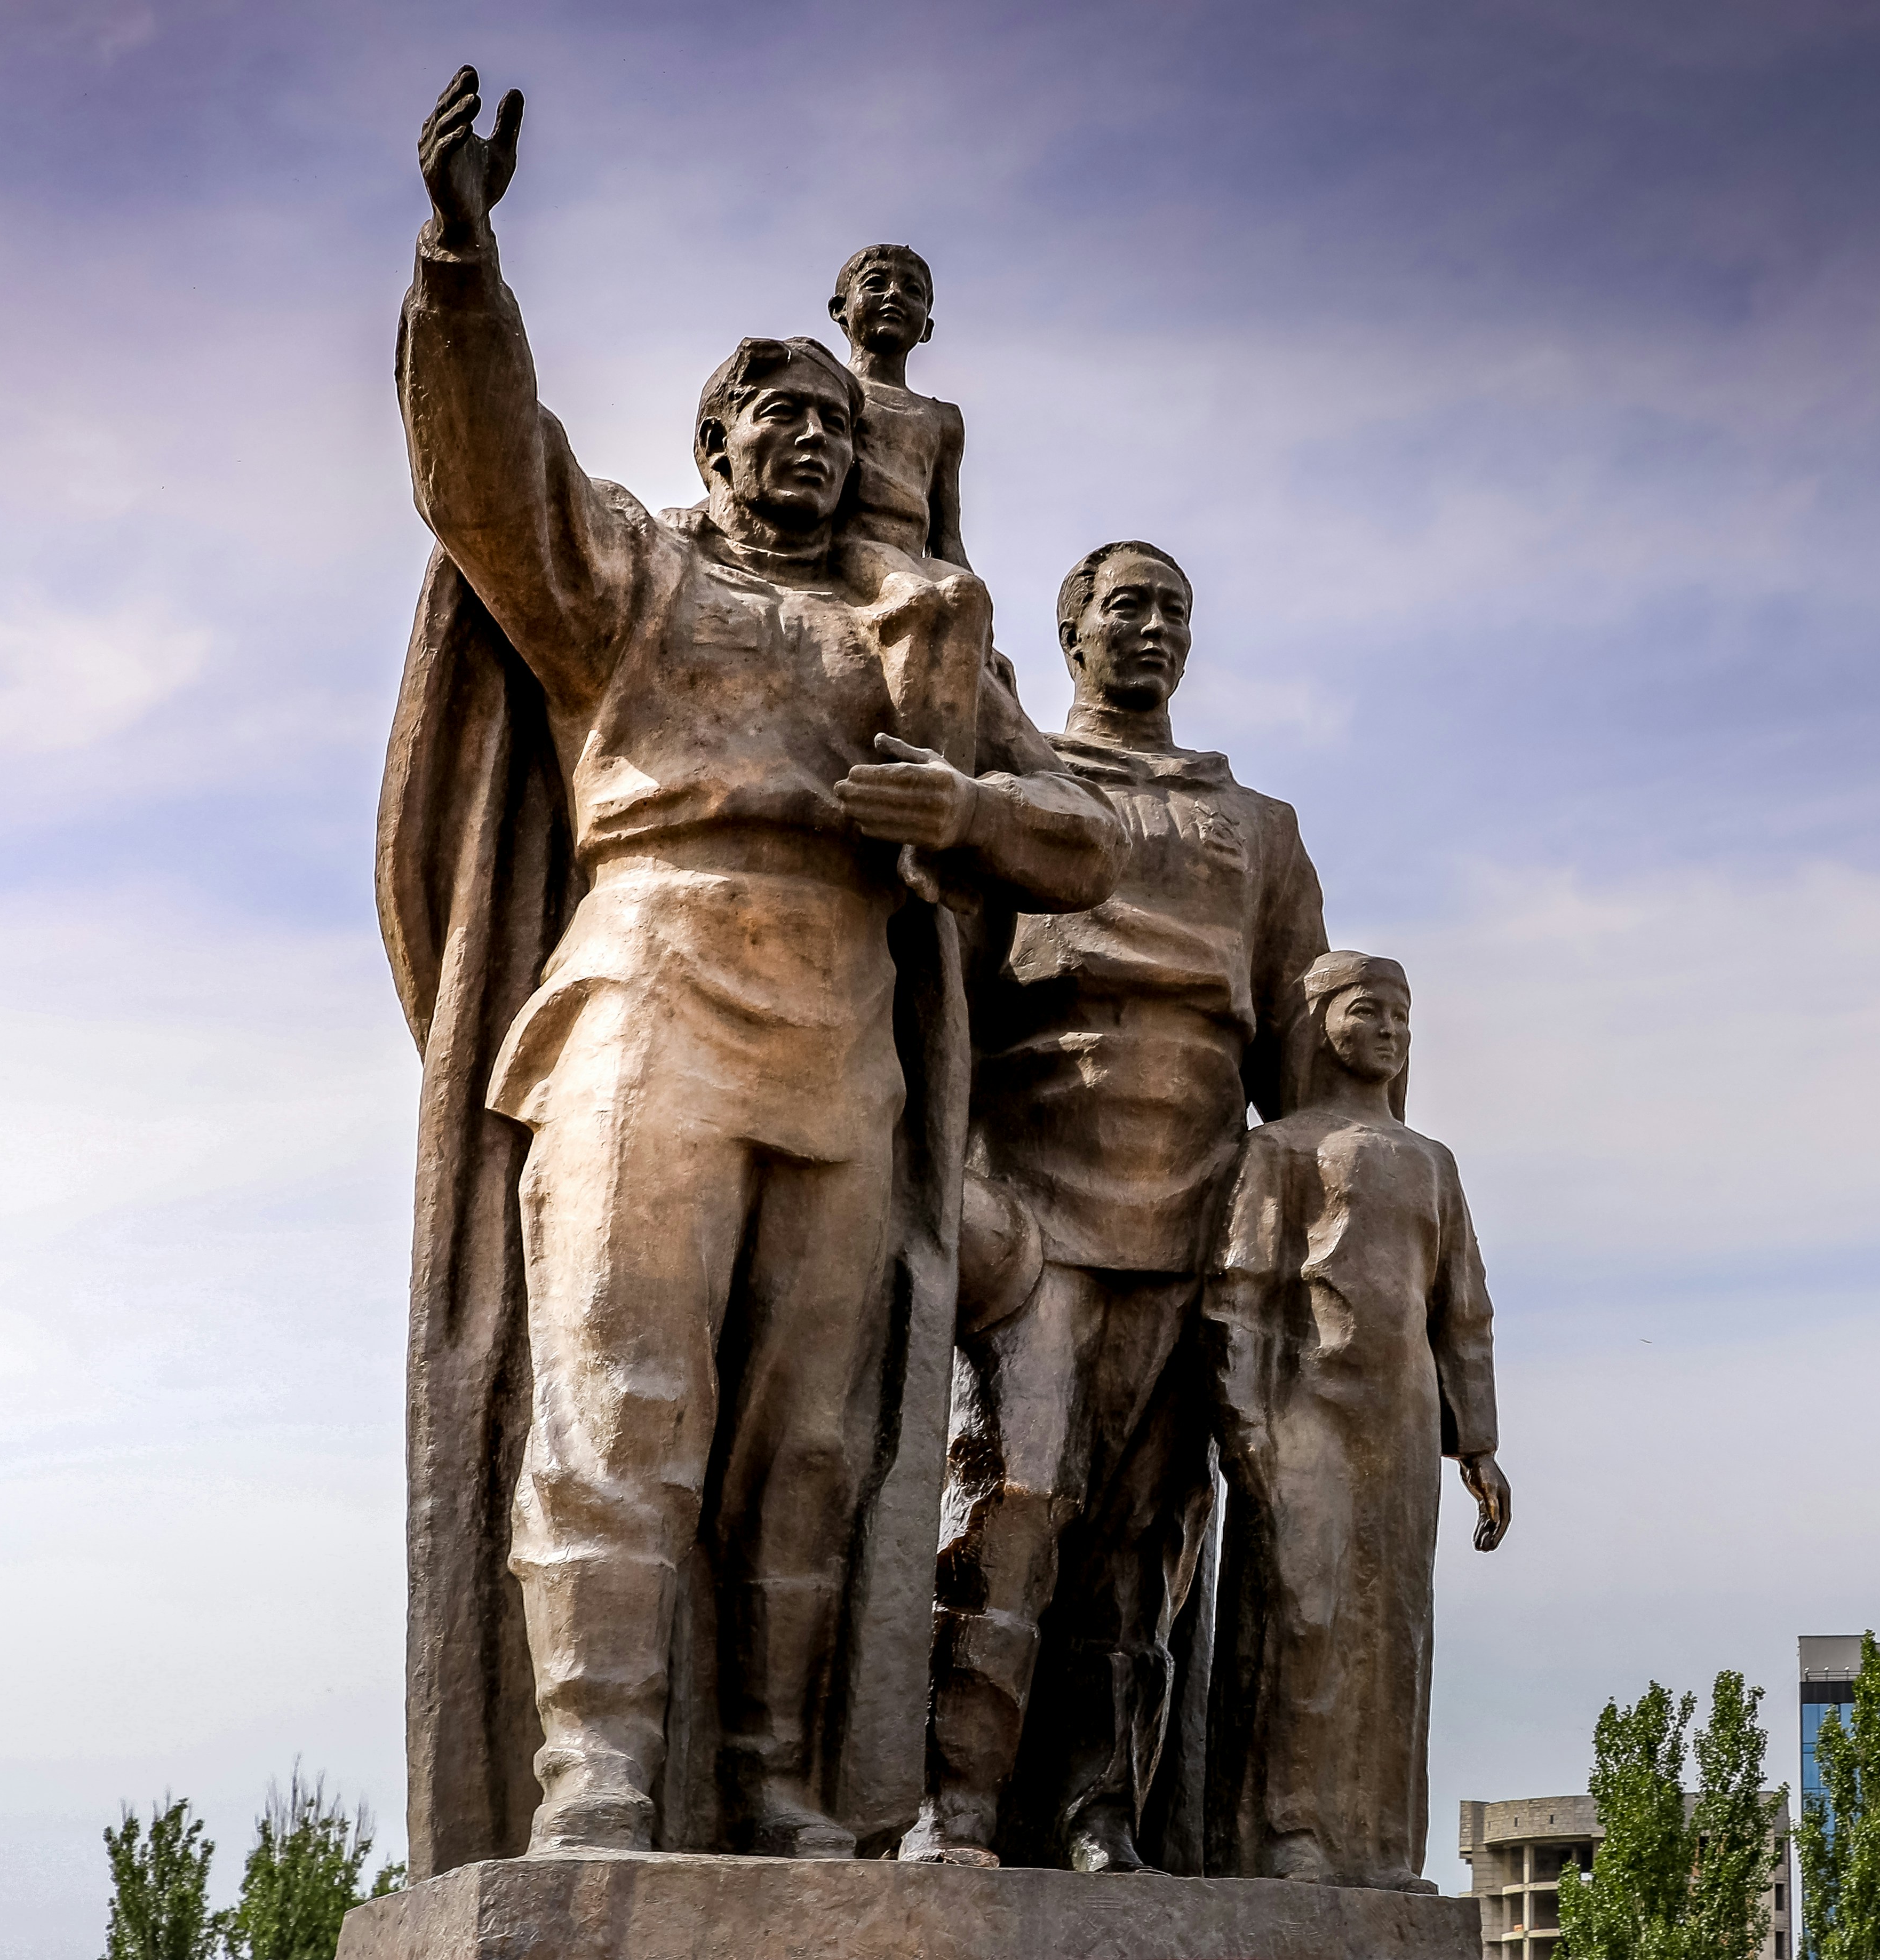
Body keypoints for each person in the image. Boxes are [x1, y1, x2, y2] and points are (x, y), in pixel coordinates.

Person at [379, 67, 1126, 1867]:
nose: (804, 442)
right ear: (712, 453)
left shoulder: (907, 621)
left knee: (812, 1437)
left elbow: (1081, 845)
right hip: (649, 986)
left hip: (842, 1023)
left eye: (825, 423)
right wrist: (464, 262)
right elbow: (489, 479)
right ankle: (599, 1770)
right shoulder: (628, 575)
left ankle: (781, 1780)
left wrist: (963, 806)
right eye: (768, 420)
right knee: (622, 1389)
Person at [914, 541, 1331, 1872]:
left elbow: (1311, 1058)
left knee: (1144, 1544)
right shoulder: (1016, 784)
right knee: (1005, 1500)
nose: (1153, 630)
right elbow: (936, 984)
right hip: (1030, 1193)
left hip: (1197, 1208)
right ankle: (955, 1805)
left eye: (1175, 612)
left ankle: (1101, 1810)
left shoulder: (1255, 826)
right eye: (1127, 607)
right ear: (1070, 626)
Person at [1199, 951, 1509, 1891]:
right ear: (1321, 1022)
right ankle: (1287, 1830)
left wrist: (1481, 1443)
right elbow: (1238, 1294)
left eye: (1403, 1016)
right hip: (1305, 1409)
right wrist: (1244, 1418)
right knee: (1304, 1612)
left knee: (1394, 1627)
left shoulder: (1431, 1163)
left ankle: (1380, 1846)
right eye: (1368, 1009)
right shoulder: (1280, 1151)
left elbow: (1464, 1311)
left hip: (1405, 1418)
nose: (1390, 1029)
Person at [824, 243, 970, 569]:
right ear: (840, 309)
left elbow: (946, 537)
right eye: (875, 283)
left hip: (908, 565)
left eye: (912, 291)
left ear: (927, 329)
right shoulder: (825, 387)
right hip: (838, 557)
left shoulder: (944, 420)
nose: (894, 295)